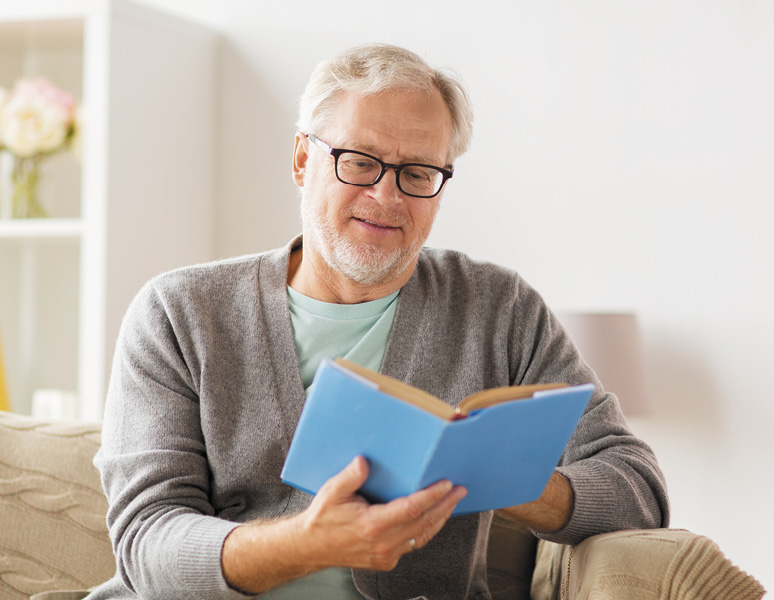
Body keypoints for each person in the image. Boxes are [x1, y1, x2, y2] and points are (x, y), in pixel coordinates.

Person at [89, 43, 669, 600]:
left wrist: (511, 477)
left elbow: (638, 488)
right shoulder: (178, 312)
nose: (387, 195)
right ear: (301, 159)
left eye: (417, 173)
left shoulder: (499, 310)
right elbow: (147, 542)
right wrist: (303, 545)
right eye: (360, 162)